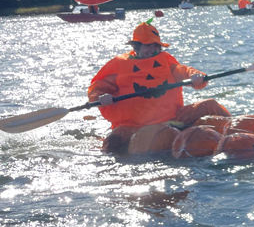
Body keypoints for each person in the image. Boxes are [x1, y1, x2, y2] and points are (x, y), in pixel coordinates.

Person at [88, 22, 230, 153]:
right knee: (113, 142)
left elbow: (183, 71)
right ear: (136, 47)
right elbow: (97, 89)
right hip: (133, 125)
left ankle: (238, 133)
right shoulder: (119, 65)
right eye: (148, 46)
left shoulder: (165, 60)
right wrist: (101, 98)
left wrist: (196, 76)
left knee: (211, 105)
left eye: (156, 46)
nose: (153, 50)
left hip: (172, 117)